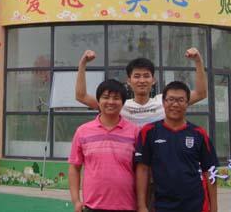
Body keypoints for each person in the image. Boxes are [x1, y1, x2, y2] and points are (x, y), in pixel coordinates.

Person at [135, 81, 218, 212]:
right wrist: (141, 206)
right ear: (163, 102)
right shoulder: (149, 131)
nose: (175, 104)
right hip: (161, 205)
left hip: (196, 205)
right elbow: (143, 169)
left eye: (180, 100)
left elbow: (210, 171)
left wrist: (214, 208)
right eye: (171, 99)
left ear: (187, 103)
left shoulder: (199, 133)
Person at [75, 48, 207, 126]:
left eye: (146, 76)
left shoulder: (164, 102)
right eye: (137, 76)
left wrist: (198, 61)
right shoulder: (118, 105)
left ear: (153, 80)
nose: (142, 81)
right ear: (129, 81)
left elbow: (201, 94)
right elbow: (81, 96)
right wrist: (82, 64)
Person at [69, 79, 138, 212]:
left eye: (116, 98)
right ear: (98, 101)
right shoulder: (82, 131)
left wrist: (141, 204)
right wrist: (76, 201)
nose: (110, 102)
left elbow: (141, 171)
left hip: (127, 206)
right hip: (92, 206)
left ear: (123, 102)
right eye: (105, 97)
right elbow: (74, 168)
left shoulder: (134, 132)